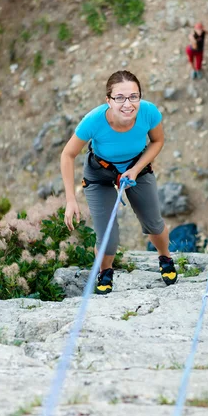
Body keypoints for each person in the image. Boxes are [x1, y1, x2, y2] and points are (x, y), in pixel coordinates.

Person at [61, 70, 178, 295]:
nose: (128, 104)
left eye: (134, 96)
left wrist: (135, 169)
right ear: (109, 100)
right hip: (100, 173)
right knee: (108, 237)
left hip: (137, 167)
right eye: (120, 98)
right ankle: (105, 272)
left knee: (154, 223)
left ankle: (165, 256)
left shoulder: (149, 113)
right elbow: (68, 154)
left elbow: (158, 141)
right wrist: (70, 199)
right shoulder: (94, 121)